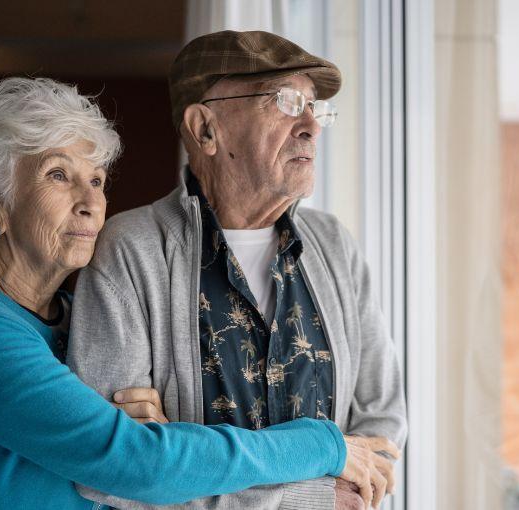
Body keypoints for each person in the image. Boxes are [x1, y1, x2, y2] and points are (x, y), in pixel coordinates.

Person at [0, 77, 380, 509]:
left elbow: (156, 466)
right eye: (57, 175)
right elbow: (141, 464)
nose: (91, 203)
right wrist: (322, 445)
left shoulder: (76, 321)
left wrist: (168, 435)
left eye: (96, 180)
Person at [67, 31, 407, 510]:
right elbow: (113, 471)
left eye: (316, 107)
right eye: (287, 103)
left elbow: (383, 428)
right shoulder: (133, 251)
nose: (312, 124)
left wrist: (181, 454)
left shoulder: (334, 247)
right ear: (205, 129)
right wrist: (306, 496)